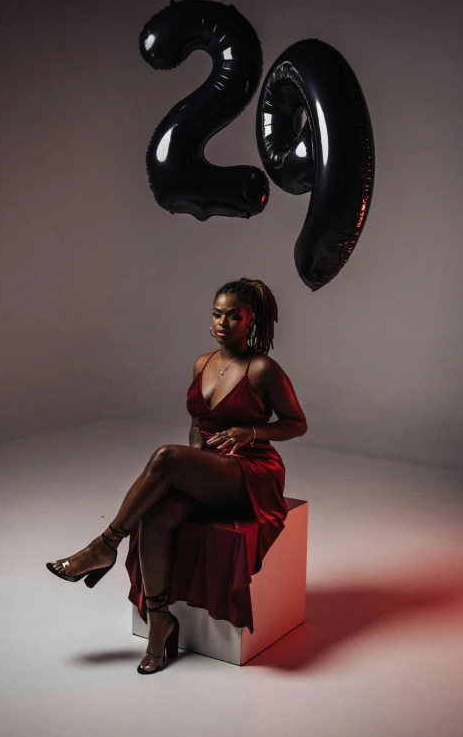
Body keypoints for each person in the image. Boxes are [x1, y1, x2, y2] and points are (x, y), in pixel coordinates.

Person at [46, 278, 307, 674]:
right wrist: (190, 463)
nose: (223, 322)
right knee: (154, 517)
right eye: (217, 314)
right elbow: (197, 424)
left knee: (166, 456)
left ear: (251, 319)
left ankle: (103, 546)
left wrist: (251, 431)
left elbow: (297, 424)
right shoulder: (202, 363)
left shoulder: (263, 368)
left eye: (233, 315)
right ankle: (160, 622)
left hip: (250, 473)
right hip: (207, 471)